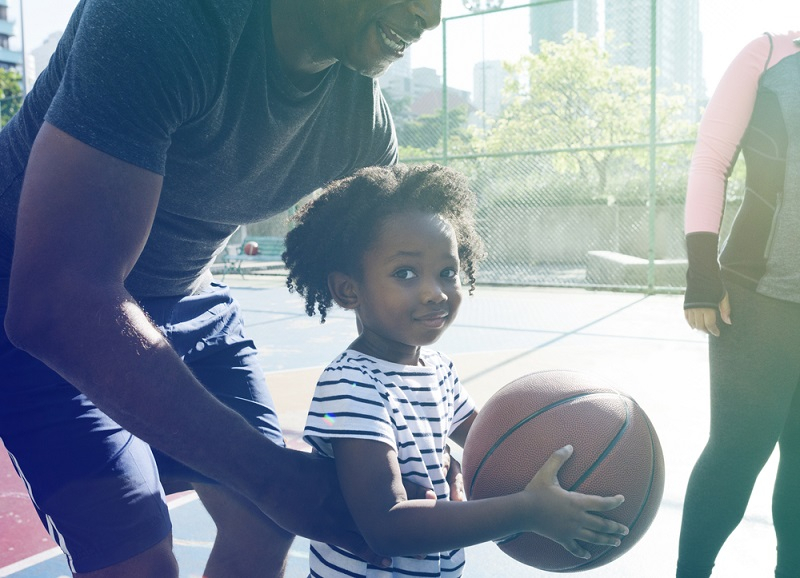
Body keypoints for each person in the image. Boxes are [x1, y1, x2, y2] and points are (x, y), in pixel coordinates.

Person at [0, 1, 449, 576]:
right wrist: (271, 476)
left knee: (265, 525)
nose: (429, 16)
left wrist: (430, 436)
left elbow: (394, 305)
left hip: (187, 295)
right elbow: (57, 302)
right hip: (37, 288)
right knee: (140, 563)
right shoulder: (166, 17)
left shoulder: (360, 125)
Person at [281, 163, 630, 577]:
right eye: (405, 273)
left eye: (447, 272)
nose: (435, 292)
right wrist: (528, 511)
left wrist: (580, 451)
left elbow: (497, 441)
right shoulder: (351, 384)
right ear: (348, 290)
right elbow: (385, 526)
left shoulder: (437, 369)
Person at [679, 31, 800, 578]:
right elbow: (711, 161)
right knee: (737, 454)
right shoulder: (770, 53)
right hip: (756, 296)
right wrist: (702, 272)